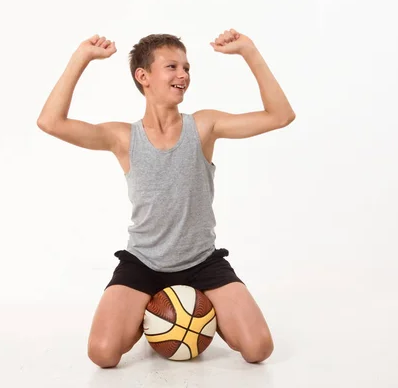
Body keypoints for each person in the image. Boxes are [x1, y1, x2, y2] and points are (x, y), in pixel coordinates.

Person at [36, 29, 295, 368]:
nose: (183, 75)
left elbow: (280, 116)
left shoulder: (204, 126)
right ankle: (150, 313)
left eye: (186, 68)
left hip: (203, 262)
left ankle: (199, 307)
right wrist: (81, 57)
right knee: (103, 354)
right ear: (143, 76)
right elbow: (50, 122)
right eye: (171, 67)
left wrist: (249, 51)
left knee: (258, 349)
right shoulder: (123, 137)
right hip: (143, 264)